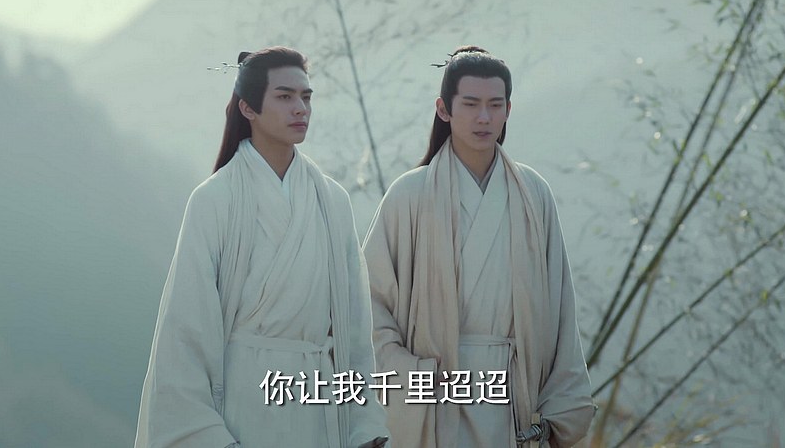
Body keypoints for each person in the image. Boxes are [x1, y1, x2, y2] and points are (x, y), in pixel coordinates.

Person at [135, 46, 389, 448]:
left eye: (306, 97)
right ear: (248, 108)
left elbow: (355, 331)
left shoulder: (332, 201)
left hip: (318, 403)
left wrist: (365, 424)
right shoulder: (214, 200)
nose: (300, 108)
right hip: (243, 406)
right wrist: (210, 437)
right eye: (285, 97)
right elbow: (185, 331)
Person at [362, 46, 595, 448]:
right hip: (436, 391)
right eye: (470, 104)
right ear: (444, 109)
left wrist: (560, 405)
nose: (484, 117)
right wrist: (407, 371)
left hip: (514, 390)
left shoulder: (533, 193)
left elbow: (561, 307)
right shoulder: (410, 194)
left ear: (508, 110)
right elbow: (367, 302)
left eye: (495, 105)